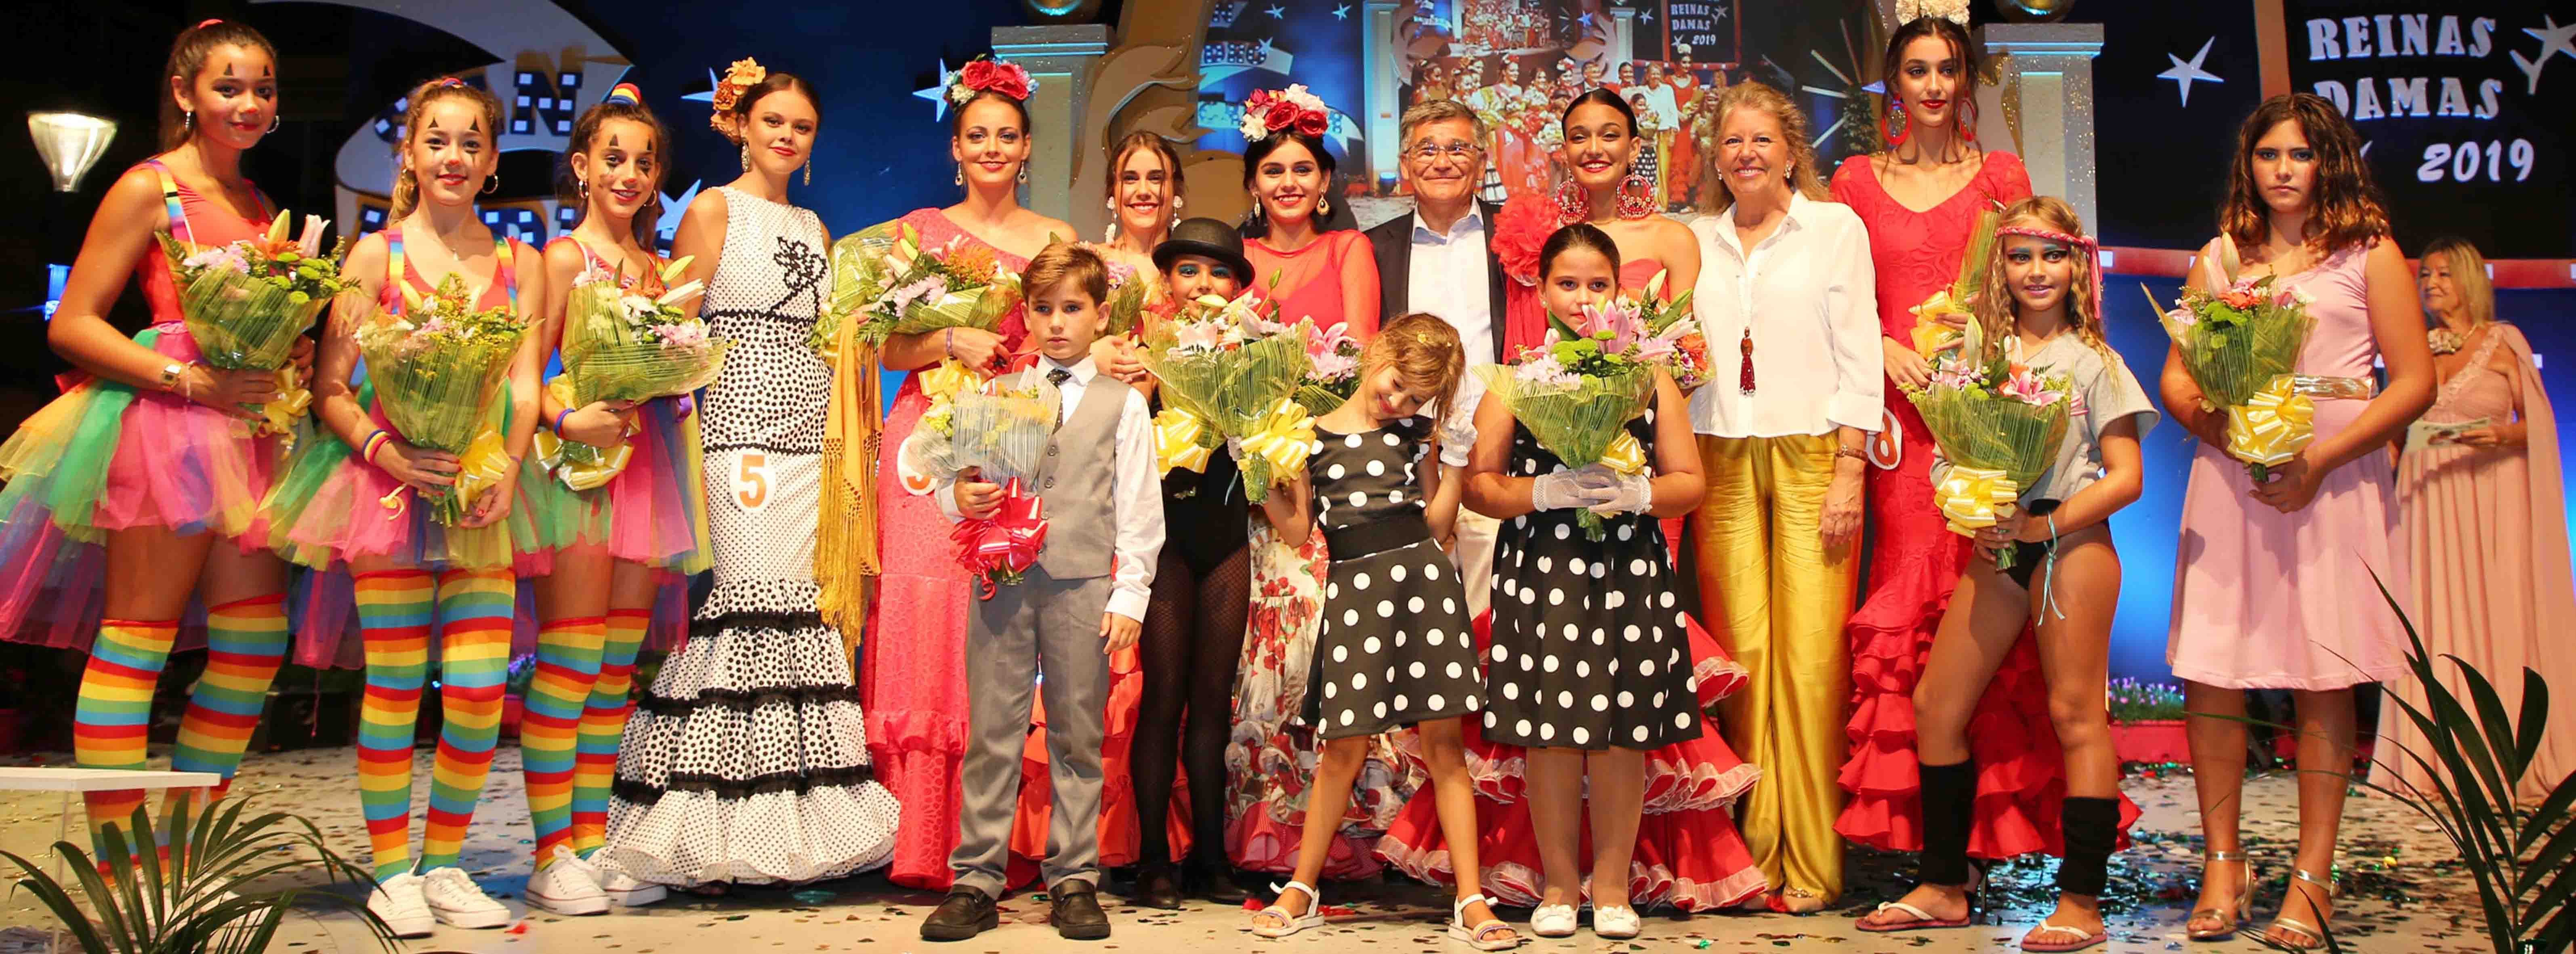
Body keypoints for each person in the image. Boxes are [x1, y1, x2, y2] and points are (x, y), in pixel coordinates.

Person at [1388, 225, 1762, 936]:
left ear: (1620, 291)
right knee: (1548, 731)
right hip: (1541, 572)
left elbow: (1690, 481)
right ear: (1541, 291)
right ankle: (1559, 886)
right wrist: (1543, 493)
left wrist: (1638, 494)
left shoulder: (1647, 372)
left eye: (1598, 284)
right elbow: (1480, 488)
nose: (1584, 298)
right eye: (1568, 284)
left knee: (1623, 733)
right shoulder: (1519, 375)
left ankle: (1613, 888)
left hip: (1630, 572)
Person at [0, 19, 304, 866]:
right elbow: (73, 323)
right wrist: (187, 379)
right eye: (230, 87)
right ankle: (119, 859)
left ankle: (180, 845)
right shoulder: (149, 187)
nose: (248, 104)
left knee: (252, 646)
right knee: (139, 637)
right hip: (166, 429)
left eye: (264, 90)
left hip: (248, 435)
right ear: (185, 93)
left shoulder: (260, 206)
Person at [598, 61, 900, 893]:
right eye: (775, 121)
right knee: (749, 609)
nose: (788, 137)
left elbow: (831, 328)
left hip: (811, 440)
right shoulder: (711, 208)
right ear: (741, 123)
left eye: (802, 127)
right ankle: (705, 820)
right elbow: (674, 325)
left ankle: (790, 823)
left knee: (796, 612)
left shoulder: (812, 221)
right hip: (739, 437)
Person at [265, 76, 548, 935]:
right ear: (411, 155)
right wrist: (388, 451)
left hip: (480, 497)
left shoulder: (520, 263)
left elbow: (527, 385)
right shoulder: (372, 259)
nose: (454, 156)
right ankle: (394, 870)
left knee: (472, 692)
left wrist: (506, 464)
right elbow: (331, 390)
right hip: (388, 495)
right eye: (438, 141)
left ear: (492, 161)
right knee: (393, 683)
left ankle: (451, 861)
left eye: (471, 143)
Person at [2164, 93, 2433, 949]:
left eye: (2300, 155)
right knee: (2213, 668)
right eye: (2268, 154)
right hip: (2232, 483)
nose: (2283, 170)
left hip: (2336, 481)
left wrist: (2320, 458)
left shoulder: (2370, 253)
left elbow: (2413, 381)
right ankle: (2222, 860)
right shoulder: (2219, 258)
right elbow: (2177, 378)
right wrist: (2226, 433)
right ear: (2249, 164)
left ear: (2330, 163)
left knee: (2324, 675)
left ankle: (2312, 878)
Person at [1856, 197, 2150, 951]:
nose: (2035, 272)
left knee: (2074, 712)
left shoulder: (2095, 363)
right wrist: (1976, 509)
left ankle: (2081, 901)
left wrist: (2043, 524)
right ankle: (1945, 884)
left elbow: (2126, 477)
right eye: (2019, 256)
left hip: (2071, 543)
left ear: (2075, 265)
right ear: (2000, 267)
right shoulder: (1974, 360)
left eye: (2050, 256)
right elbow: (1951, 451)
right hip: (1999, 546)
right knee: (1935, 705)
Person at [1828, 19, 2046, 908]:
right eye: (1915, 69)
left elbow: (2038, 284)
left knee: (1979, 604)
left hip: (1979, 422)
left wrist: (1980, 346)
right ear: (1893, 83)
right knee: (1907, 610)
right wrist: (1880, 343)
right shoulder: (1852, 181)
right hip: (1893, 431)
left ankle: (1982, 841)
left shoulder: (2000, 178)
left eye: (1945, 69)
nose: (1930, 84)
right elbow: (1836, 299)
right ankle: (1918, 846)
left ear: (1966, 82)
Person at [857, 55, 1078, 891]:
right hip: (927, 444)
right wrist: (950, 340)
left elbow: (1069, 342)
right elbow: (882, 343)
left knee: (999, 624)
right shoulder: (917, 231)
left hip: (1016, 435)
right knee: (924, 609)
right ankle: (915, 837)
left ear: (1027, 148)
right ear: (956, 147)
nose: (992, 148)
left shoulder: (1057, 239)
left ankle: (996, 837)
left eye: (1007, 136)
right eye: (977, 135)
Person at [1244, 315, 1518, 950]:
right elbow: (1295, 530)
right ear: (1379, 353)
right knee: (1343, 746)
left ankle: (1470, 898)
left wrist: (1450, 462)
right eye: (1396, 383)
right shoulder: (1308, 436)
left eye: (1416, 398)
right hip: (1356, 595)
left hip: (1423, 589)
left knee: (1445, 750)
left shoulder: (1415, 436)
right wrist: (1259, 478)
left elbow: (1440, 527)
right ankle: (1301, 887)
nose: (1397, 401)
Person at [919, 243, 1165, 942]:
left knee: (1076, 731)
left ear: (1100, 314)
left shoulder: (1122, 403)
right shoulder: (997, 391)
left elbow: (1139, 505)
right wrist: (958, 495)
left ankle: (1074, 877)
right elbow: (952, 475)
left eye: (1072, 308)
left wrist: (1130, 595)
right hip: (1003, 578)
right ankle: (976, 878)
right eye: (1043, 308)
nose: (1057, 322)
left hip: (1084, 581)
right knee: (994, 730)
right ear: (1024, 313)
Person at [1685, 80, 1877, 911]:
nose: (1748, 155)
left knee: (1810, 660)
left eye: (1763, 140)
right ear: (1715, 158)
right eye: (1732, 143)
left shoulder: (1834, 230)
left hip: (1814, 454)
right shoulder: (1696, 238)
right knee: (1746, 659)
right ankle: (1754, 853)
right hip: (1720, 453)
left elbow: (1861, 350)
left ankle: (1815, 856)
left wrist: (1849, 467)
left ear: (1793, 150)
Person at [514, 82, 697, 915]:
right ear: (582, 168)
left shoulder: (659, 269)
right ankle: (552, 849)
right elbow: (527, 373)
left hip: (645, 470)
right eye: (614, 159)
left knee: (616, 669)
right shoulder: (561, 259)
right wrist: (566, 410)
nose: (629, 175)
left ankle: (595, 840)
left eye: (645, 162)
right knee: (570, 661)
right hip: (576, 476)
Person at [1228, 85, 1411, 883]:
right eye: (1275, 169)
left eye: (1304, 168)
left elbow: (1367, 363)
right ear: (1254, 184)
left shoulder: (1348, 253)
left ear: (1327, 182)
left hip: (1330, 482)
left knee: (1325, 652)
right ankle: (1267, 833)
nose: (1290, 182)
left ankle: (1349, 837)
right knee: (1264, 651)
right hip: (1257, 480)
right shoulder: (1240, 260)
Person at [2377, 236, 2573, 806]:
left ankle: (2502, 752)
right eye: (2425, 275)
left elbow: (2539, 424)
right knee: (2429, 617)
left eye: (2442, 273)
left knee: (2495, 615)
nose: (2431, 282)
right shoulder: (2413, 350)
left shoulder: (2503, 341)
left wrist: (2501, 435)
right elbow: (2393, 434)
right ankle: (2429, 760)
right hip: (2424, 502)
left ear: (2467, 279)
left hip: (2488, 499)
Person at [1124, 219, 1259, 908]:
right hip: (1165, 541)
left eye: (1218, 273)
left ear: (1236, 286)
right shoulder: (1141, 353)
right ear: (1168, 282)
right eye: (1188, 271)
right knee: (1163, 697)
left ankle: (1210, 857)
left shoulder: (1260, 353)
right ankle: (1153, 858)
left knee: (1213, 700)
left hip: (1227, 535)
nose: (1204, 284)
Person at [1363, 99, 1512, 624]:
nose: (1441, 161)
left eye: (1457, 148)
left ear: (1481, 160)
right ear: (1406, 163)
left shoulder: (1512, 239)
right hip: (1409, 458)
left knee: (1494, 614)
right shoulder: (1375, 250)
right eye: (1427, 149)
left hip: (1498, 450)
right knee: (1417, 621)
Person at [1507, 90, 1698, 356]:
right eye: (1579, 138)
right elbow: (1524, 347)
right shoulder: (1540, 235)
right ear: (1565, 151)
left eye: (1609, 136)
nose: (1594, 149)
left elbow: (1687, 353)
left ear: (1634, 149)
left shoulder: (1673, 238)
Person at [1101, 131, 1182, 261]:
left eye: (1156, 178)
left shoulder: (1197, 268)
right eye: (1130, 179)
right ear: (1112, 191)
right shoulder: (1088, 266)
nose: (1143, 191)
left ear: (1176, 190)